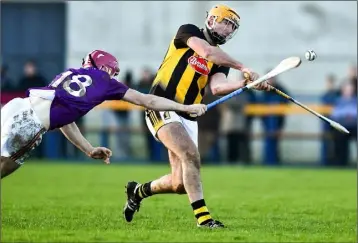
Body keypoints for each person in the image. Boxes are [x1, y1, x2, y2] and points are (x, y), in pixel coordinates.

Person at [123, 4, 271, 228]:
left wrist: (247, 83)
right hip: (162, 105)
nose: (229, 30)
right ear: (211, 20)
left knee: (178, 184)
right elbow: (207, 52)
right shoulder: (188, 31)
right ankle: (204, 220)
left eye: (233, 28)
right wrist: (243, 66)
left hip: (188, 115)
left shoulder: (221, 61)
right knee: (190, 154)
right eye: (226, 23)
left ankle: (137, 192)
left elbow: (218, 88)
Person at [0, 50, 207, 179]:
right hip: (31, 122)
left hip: (16, 107)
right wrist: (186, 108)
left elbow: (65, 119)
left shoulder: (70, 72)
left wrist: (88, 149)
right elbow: (149, 100)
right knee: (5, 167)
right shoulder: (107, 82)